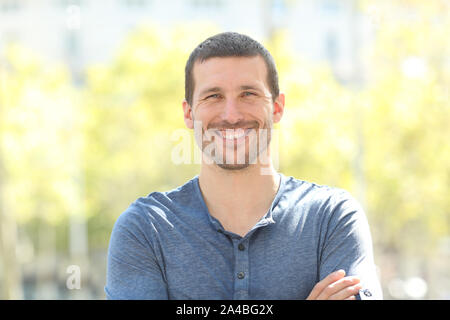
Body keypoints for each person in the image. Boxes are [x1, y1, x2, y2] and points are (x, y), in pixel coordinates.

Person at [105, 32, 382, 300]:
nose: (232, 115)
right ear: (189, 113)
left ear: (276, 107)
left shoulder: (331, 217)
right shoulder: (145, 228)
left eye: (248, 94)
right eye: (213, 96)